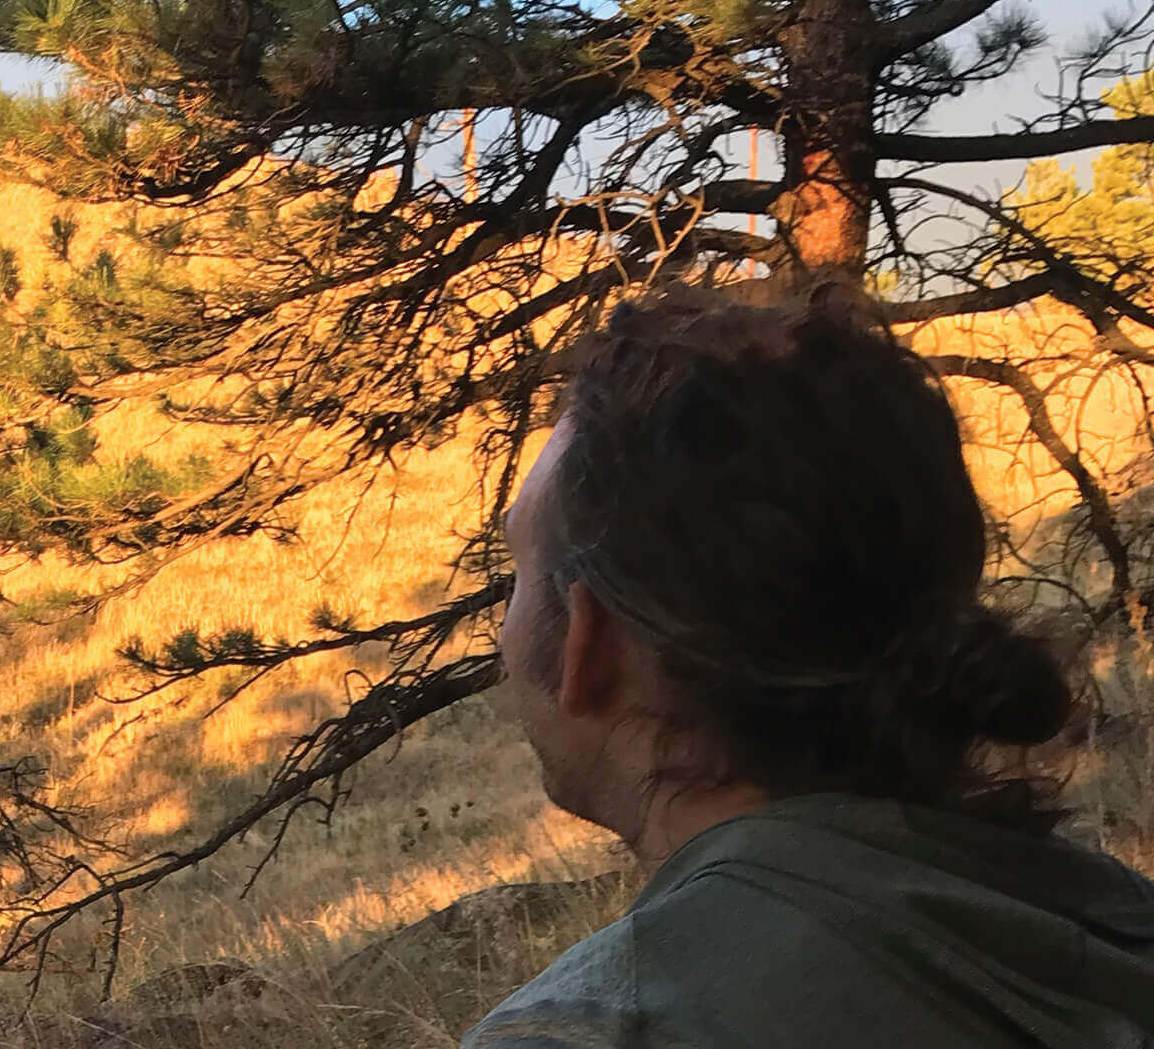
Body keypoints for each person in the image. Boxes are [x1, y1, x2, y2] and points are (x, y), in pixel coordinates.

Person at [468, 281, 1154, 1048]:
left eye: (516, 575)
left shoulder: (597, 1031)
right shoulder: (1110, 921)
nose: (503, 631)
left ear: (587, 643)